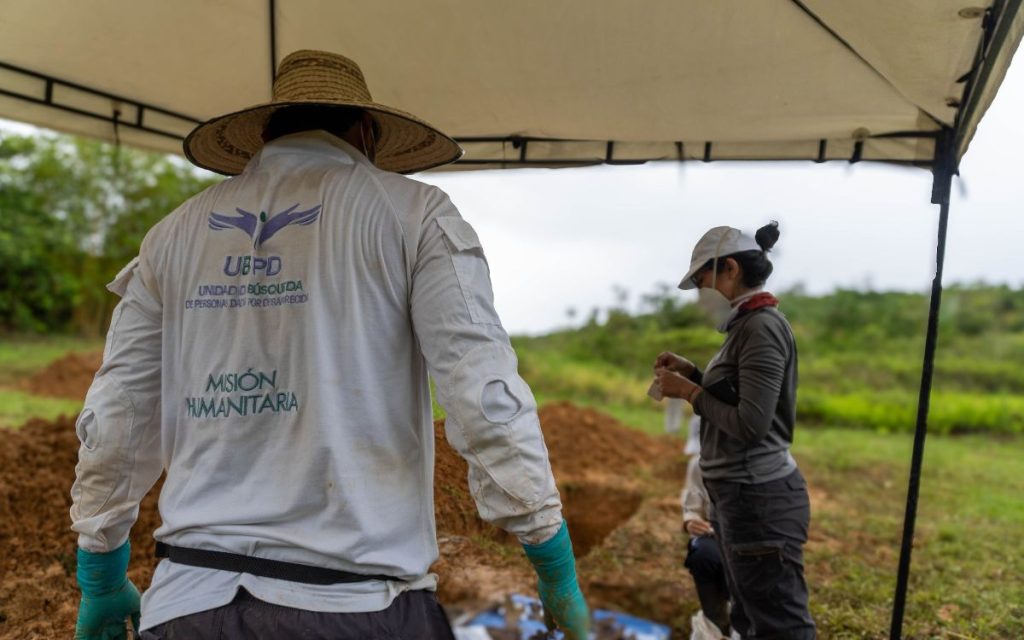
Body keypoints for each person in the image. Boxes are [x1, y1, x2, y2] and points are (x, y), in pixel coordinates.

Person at [70, 49, 588, 640]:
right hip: (357, 607)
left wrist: (102, 573)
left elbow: (119, 413)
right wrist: (553, 565)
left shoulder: (173, 235)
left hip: (189, 605)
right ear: (366, 132)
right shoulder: (413, 214)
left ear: (264, 134)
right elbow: (483, 396)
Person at [653, 223, 815, 639]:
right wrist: (696, 374)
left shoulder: (761, 327)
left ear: (728, 268)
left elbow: (751, 424)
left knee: (778, 623)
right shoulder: (747, 324)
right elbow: (740, 397)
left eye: (703, 278)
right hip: (739, 495)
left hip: (757, 499)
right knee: (750, 613)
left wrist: (690, 393)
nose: (702, 289)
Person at [680, 420, 731, 636]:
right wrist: (691, 521)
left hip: (746, 540)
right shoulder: (697, 466)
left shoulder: (752, 467)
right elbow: (692, 503)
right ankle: (716, 619)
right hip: (713, 535)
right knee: (702, 554)